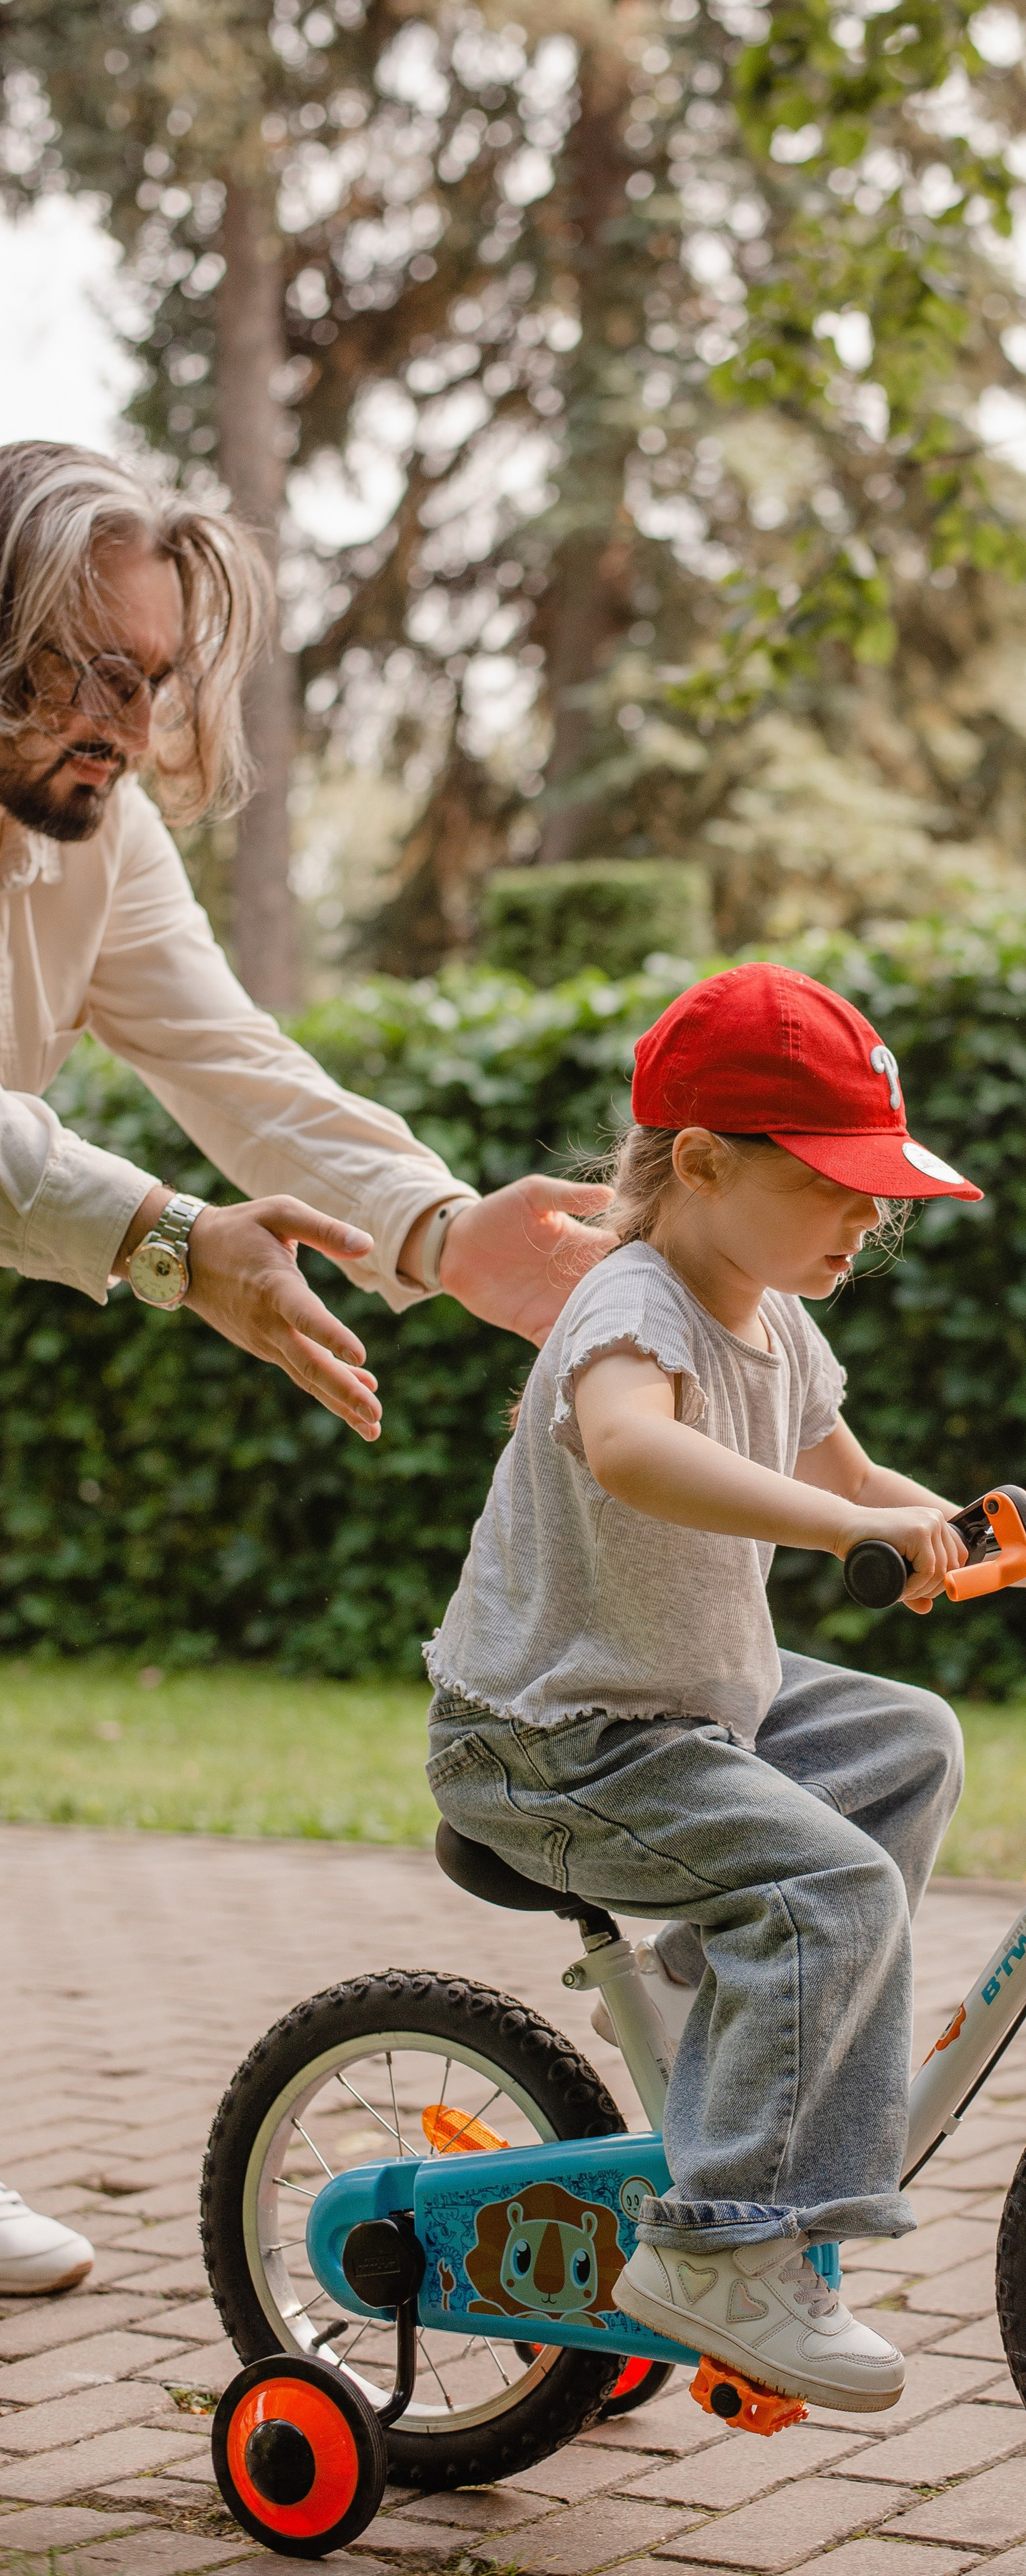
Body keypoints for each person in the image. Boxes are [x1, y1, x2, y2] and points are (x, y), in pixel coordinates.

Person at [0, 437, 612, 2288]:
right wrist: (178, 1246)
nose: (119, 713)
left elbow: (241, 1068)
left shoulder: (104, 836)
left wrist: (438, 1230)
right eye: (80, 664)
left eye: (151, 675)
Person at [424, 962, 982, 2413]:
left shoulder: (778, 1319)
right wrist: (855, 1531)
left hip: (685, 1705)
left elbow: (849, 1480)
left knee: (906, 1741)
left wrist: (995, 1543)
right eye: (838, 1183)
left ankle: (719, 1975)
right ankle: (718, 2251)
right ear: (703, 1161)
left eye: (880, 1190)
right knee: (836, 1891)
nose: (872, 1216)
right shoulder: (633, 1300)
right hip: (553, 1738)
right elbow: (630, 1448)